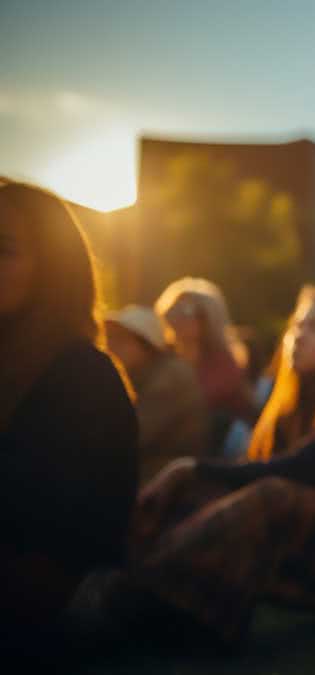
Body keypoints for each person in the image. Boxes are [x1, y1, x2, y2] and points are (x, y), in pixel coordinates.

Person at [113, 286, 315, 646]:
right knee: (204, 490)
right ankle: (130, 580)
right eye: (297, 326)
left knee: (269, 496)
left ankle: (153, 602)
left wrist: (194, 467)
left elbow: (303, 468)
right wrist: (196, 475)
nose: (297, 337)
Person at [0, 180, 138, 656]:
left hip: (51, 605)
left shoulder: (83, 378)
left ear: (52, 270)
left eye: (4, 250)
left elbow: (56, 554)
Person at [105, 305, 209, 481]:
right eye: (111, 337)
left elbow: (131, 436)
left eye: (121, 339)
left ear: (147, 345)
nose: (111, 345)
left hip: (165, 478)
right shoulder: (140, 373)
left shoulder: (170, 378)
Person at [154, 277, 254, 451]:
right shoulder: (161, 358)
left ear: (208, 318)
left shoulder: (222, 361)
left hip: (219, 445)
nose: (177, 317)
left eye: (187, 311)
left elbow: (199, 401)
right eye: (173, 309)